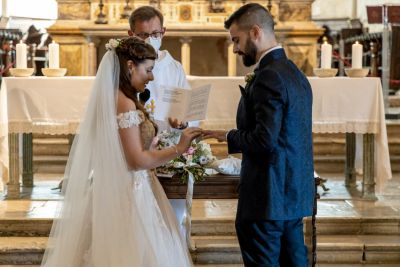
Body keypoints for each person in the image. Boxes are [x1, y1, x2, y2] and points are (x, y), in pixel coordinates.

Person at [41, 37, 198, 267]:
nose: (152, 77)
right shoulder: (123, 102)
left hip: (128, 186)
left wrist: (165, 129)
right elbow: (136, 160)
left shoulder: (123, 97)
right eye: (148, 70)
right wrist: (179, 148)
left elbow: (135, 136)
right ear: (131, 66)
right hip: (128, 191)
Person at [202, 3, 314, 267]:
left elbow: (265, 140)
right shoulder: (295, 74)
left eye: (236, 40)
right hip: (293, 197)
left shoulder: (268, 76)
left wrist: (227, 135)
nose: (235, 49)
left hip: (266, 199)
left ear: (255, 32)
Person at [128, 5, 191, 238]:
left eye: (155, 34)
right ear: (130, 35)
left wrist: (182, 122)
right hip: (135, 148)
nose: (150, 40)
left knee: (171, 221)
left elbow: (186, 109)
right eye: (143, 35)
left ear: (163, 32)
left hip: (168, 151)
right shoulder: (124, 66)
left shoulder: (174, 68)